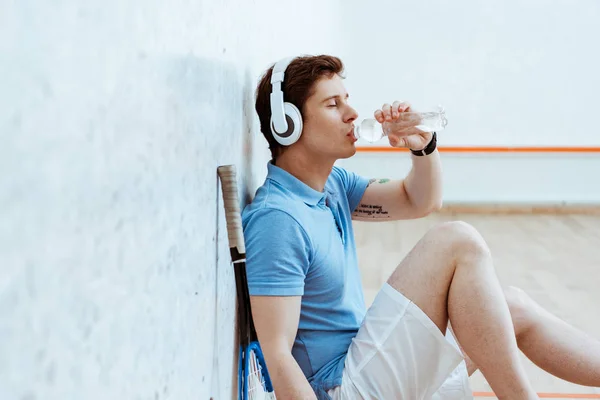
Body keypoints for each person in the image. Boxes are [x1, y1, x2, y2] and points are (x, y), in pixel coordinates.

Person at [240, 54, 600, 400]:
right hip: (343, 389)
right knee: (457, 240)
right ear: (287, 124)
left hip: (365, 367)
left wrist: (422, 147)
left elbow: (419, 200)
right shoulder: (279, 220)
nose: (352, 114)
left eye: (347, 100)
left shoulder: (331, 185)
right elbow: (278, 355)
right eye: (333, 105)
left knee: (513, 307)